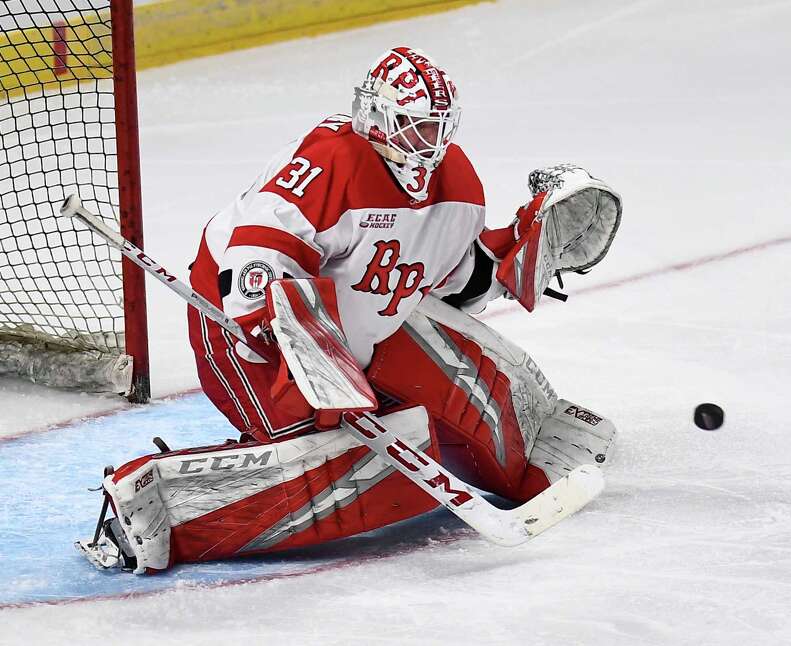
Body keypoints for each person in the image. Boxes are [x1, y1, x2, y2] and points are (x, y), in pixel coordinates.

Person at [77, 47, 622, 573]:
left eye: (436, 128)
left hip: (358, 331)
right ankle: (160, 508)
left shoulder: (458, 185)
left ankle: (540, 439)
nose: (427, 143)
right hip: (250, 331)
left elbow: (455, 286)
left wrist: (512, 256)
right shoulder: (330, 160)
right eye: (414, 126)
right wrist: (279, 326)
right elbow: (259, 249)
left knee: (451, 398)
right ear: (379, 119)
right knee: (347, 459)